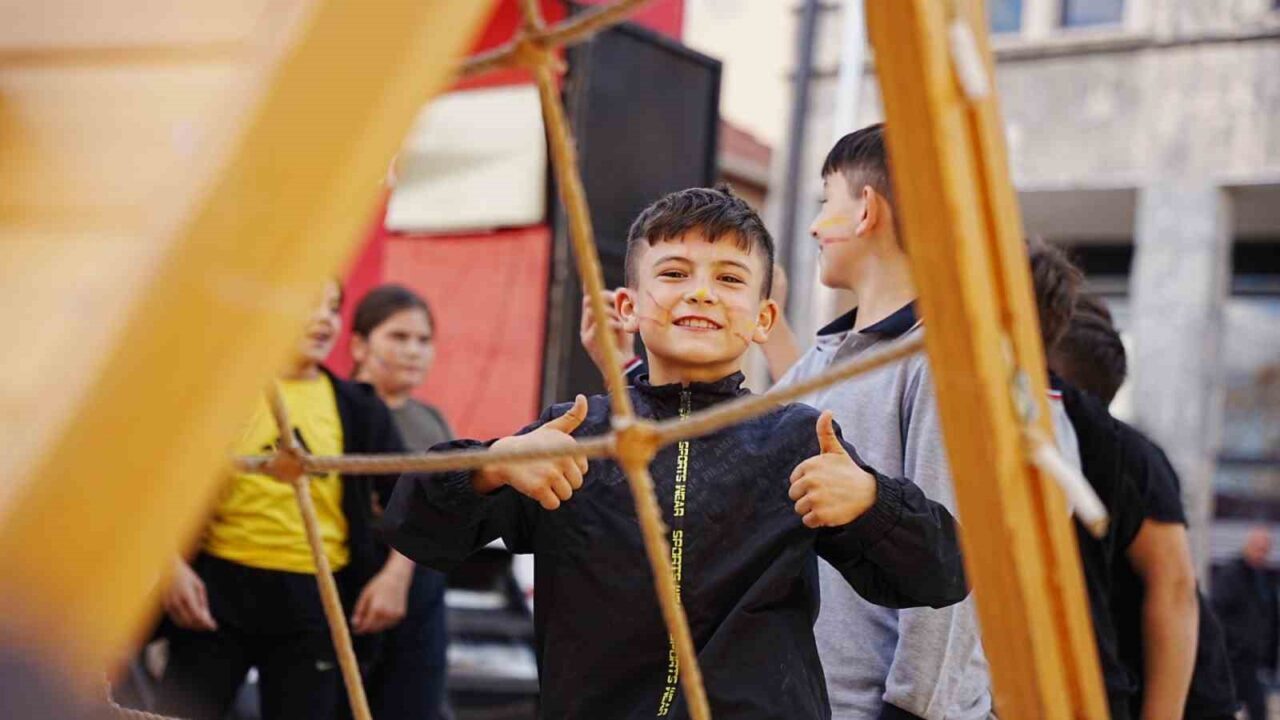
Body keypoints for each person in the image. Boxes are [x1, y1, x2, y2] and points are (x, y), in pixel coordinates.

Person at [383, 185, 969, 719]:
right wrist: (492, 468)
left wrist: (871, 502)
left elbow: (943, 574)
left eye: (731, 279)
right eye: (674, 272)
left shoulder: (797, 438)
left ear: (763, 319)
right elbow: (413, 523)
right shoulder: (575, 433)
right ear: (630, 306)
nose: (701, 292)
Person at [771, 123, 990, 720]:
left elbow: (956, 556)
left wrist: (913, 710)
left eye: (826, 202)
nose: (816, 225)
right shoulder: (823, 359)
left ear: (866, 210)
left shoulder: (941, 360)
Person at [154, 280, 409, 720]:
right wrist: (169, 566)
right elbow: (154, 485)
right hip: (217, 590)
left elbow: (411, 499)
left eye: (332, 308)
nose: (323, 319)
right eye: (308, 305)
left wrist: (396, 577)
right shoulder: (222, 393)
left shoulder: (358, 407)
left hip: (316, 597)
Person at [348, 284, 451, 720]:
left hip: (421, 585)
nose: (414, 352)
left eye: (423, 340)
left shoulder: (432, 422)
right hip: (351, 576)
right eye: (398, 337)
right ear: (358, 344)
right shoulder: (338, 408)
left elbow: (442, 512)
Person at [1214, 527, 1278, 720]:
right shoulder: (1231, 575)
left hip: (1255, 660)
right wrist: (1232, 645)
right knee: (1225, 708)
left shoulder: (1266, 579)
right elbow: (1216, 613)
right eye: (1258, 547)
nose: (1261, 553)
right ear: (1247, 546)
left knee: (1258, 710)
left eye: (1265, 549)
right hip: (1233, 659)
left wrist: (1270, 658)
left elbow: (1272, 619)